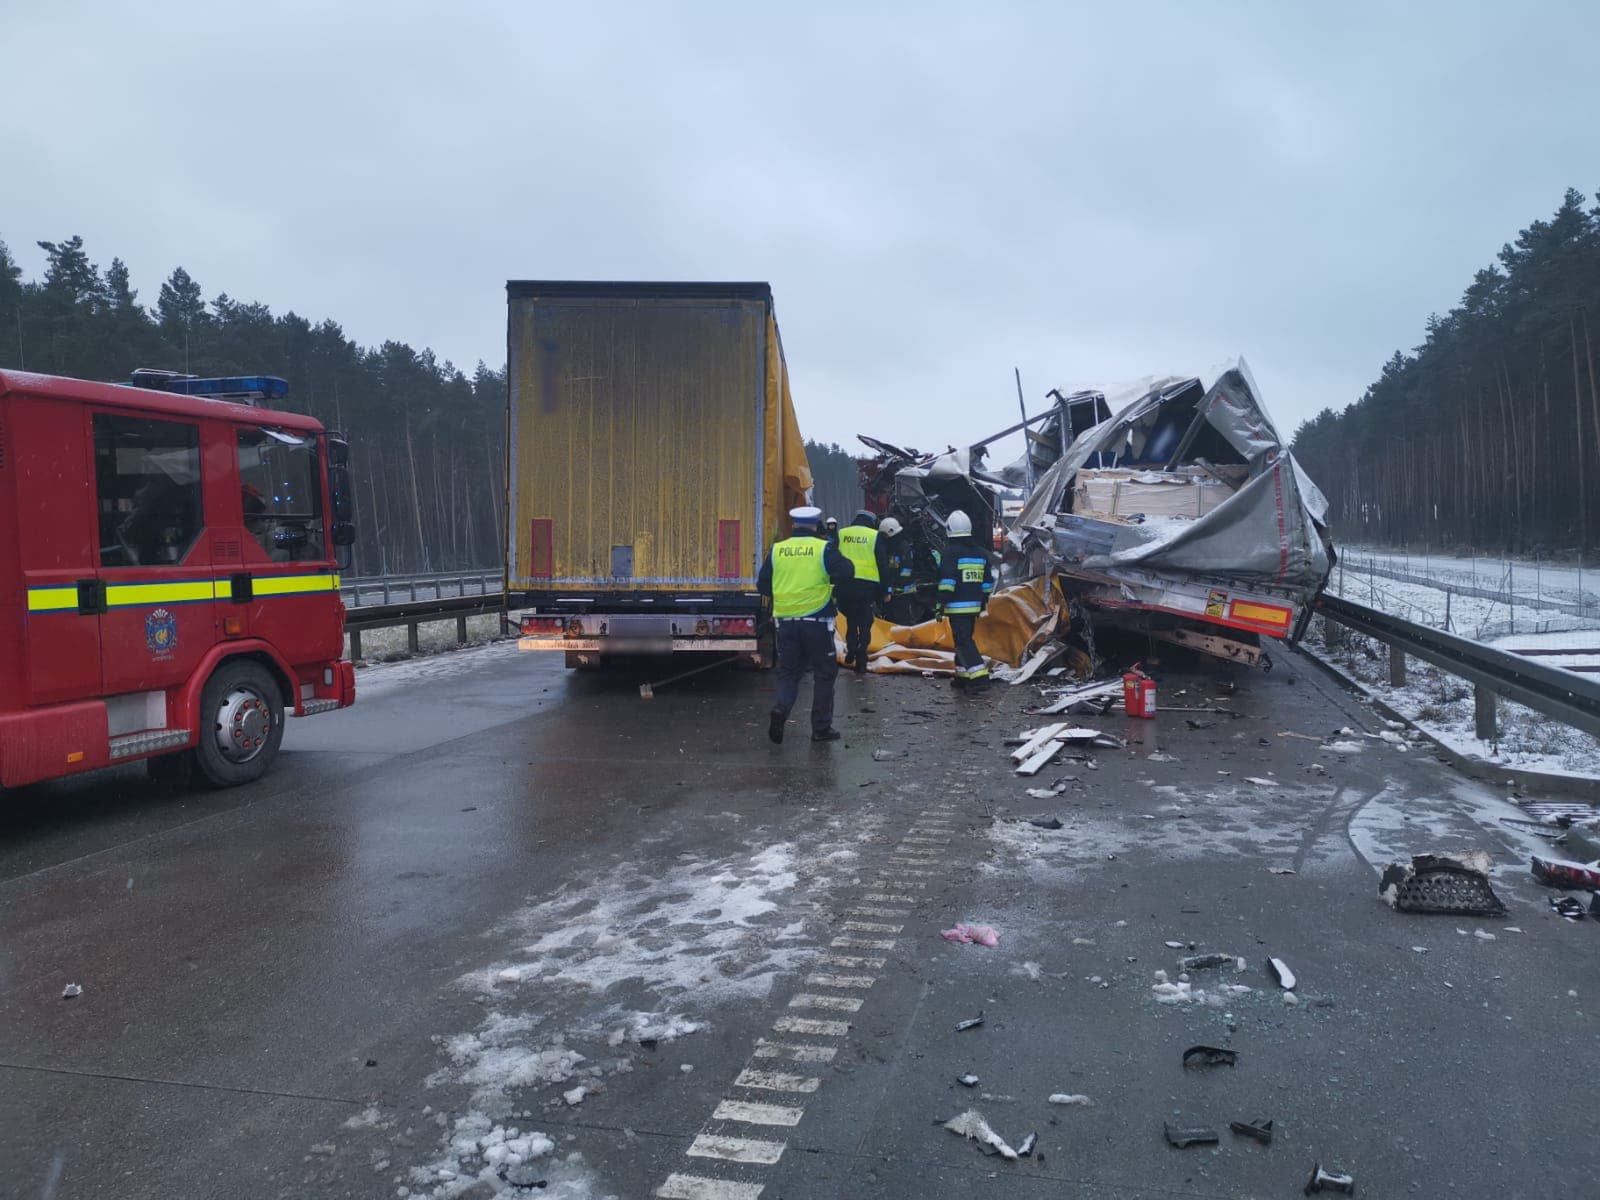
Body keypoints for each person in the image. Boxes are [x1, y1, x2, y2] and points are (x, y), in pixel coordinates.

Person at [757, 505, 854, 743]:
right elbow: (847, 571)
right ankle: (821, 728)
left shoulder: (778, 550)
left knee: (788, 673)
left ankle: (781, 708)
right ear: (815, 525)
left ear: (794, 525)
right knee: (824, 672)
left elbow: (762, 585)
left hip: (786, 623)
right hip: (817, 621)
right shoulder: (824, 548)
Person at [936, 509, 995, 690]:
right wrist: (983, 602)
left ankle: (979, 677)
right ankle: (962, 675)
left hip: (956, 606)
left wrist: (940, 604)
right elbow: (987, 583)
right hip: (974, 606)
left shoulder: (950, 553)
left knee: (963, 641)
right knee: (963, 638)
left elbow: (947, 582)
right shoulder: (981, 553)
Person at [835, 509, 891, 673]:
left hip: (845, 585)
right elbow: (882, 564)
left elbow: (834, 558)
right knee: (865, 622)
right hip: (867, 587)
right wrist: (886, 589)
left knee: (851, 621)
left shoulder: (842, 533)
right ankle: (862, 657)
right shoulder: (874, 536)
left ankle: (851, 649)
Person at [876, 516, 917, 624]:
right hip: (893, 593)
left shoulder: (903, 547)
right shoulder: (890, 548)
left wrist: (893, 584)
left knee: (902, 620)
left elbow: (906, 571)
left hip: (903, 593)